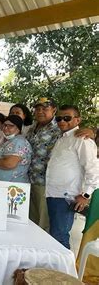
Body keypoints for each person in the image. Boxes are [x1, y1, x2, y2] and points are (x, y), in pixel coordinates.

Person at [45, 105, 98, 249]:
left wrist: (86, 195)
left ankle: (65, 271)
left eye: (67, 118)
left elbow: (93, 171)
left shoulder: (83, 140)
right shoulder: (62, 139)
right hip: (53, 194)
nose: (62, 121)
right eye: (59, 118)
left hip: (67, 196)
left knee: (59, 237)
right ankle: (53, 270)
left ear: (77, 120)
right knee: (54, 235)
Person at [26, 97, 61, 230]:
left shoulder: (58, 130)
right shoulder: (32, 128)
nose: (40, 111)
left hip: (44, 182)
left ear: (54, 110)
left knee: (42, 221)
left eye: (45, 109)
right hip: (28, 179)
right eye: (37, 109)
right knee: (29, 218)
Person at [0, 115, 32, 185]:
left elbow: (9, 164)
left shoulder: (18, 142)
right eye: (5, 125)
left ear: (18, 128)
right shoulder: (9, 141)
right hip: (3, 187)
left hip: (12, 188)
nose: (6, 128)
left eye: (11, 126)